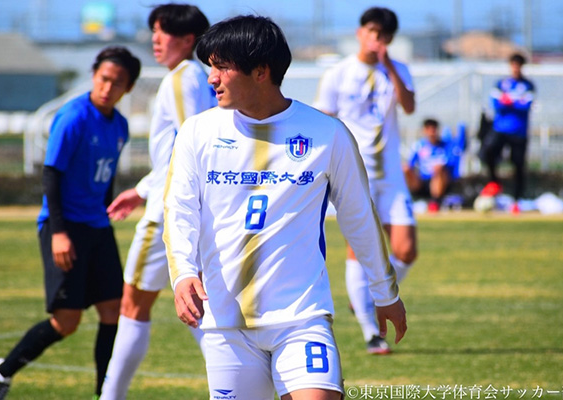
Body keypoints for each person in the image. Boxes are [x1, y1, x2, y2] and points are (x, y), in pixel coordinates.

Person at [163, 15, 407, 400]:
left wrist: (385, 293)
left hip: (302, 318)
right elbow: (179, 212)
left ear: (261, 71)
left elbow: (359, 217)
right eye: (211, 66)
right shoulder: (198, 132)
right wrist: (182, 274)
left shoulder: (327, 134)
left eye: (222, 67)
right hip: (226, 325)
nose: (211, 78)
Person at [0, 47, 141, 400]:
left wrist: (107, 208)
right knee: (66, 323)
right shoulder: (73, 117)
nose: (108, 87)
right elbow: (51, 175)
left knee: (114, 310)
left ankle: (104, 394)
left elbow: (106, 175)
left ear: (128, 89)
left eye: (118, 83)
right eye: (103, 78)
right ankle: (2, 372)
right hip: (65, 227)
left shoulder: (120, 126)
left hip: (98, 227)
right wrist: (58, 233)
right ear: (93, 75)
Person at [100, 4, 214, 400]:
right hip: (177, 206)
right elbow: (177, 157)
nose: (155, 39)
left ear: (186, 40)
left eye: (161, 32)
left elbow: (193, 144)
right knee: (198, 309)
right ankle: (235, 386)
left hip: (168, 215)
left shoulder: (183, 79)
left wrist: (160, 198)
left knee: (133, 305)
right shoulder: (193, 77)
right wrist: (143, 188)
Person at [313, 7, 416, 354]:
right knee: (359, 248)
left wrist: (389, 67)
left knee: (406, 249)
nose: (378, 40)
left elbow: (410, 106)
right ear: (360, 32)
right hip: (356, 175)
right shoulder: (338, 73)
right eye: (373, 32)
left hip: (391, 174)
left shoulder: (397, 69)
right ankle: (371, 331)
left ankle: (371, 297)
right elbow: (323, 121)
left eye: (385, 36)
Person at [479, 53, 535, 213]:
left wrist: (509, 101)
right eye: (513, 64)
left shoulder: (528, 85)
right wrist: (515, 102)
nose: (516, 68)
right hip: (500, 129)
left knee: (518, 165)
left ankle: (517, 201)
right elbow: (496, 104)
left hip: (519, 132)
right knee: (487, 152)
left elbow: (526, 106)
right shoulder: (501, 84)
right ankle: (494, 182)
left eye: (519, 65)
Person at [404, 118, 455, 212]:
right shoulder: (419, 145)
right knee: (405, 169)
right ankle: (409, 198)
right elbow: (410, 164)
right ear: (424, 130)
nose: (431, 132)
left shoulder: (446, 146)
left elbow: (451, 164)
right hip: (422, 181)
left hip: (439, 181)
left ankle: (435, 201)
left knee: (438, 169)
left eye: (434, 129)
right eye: (428, 129)